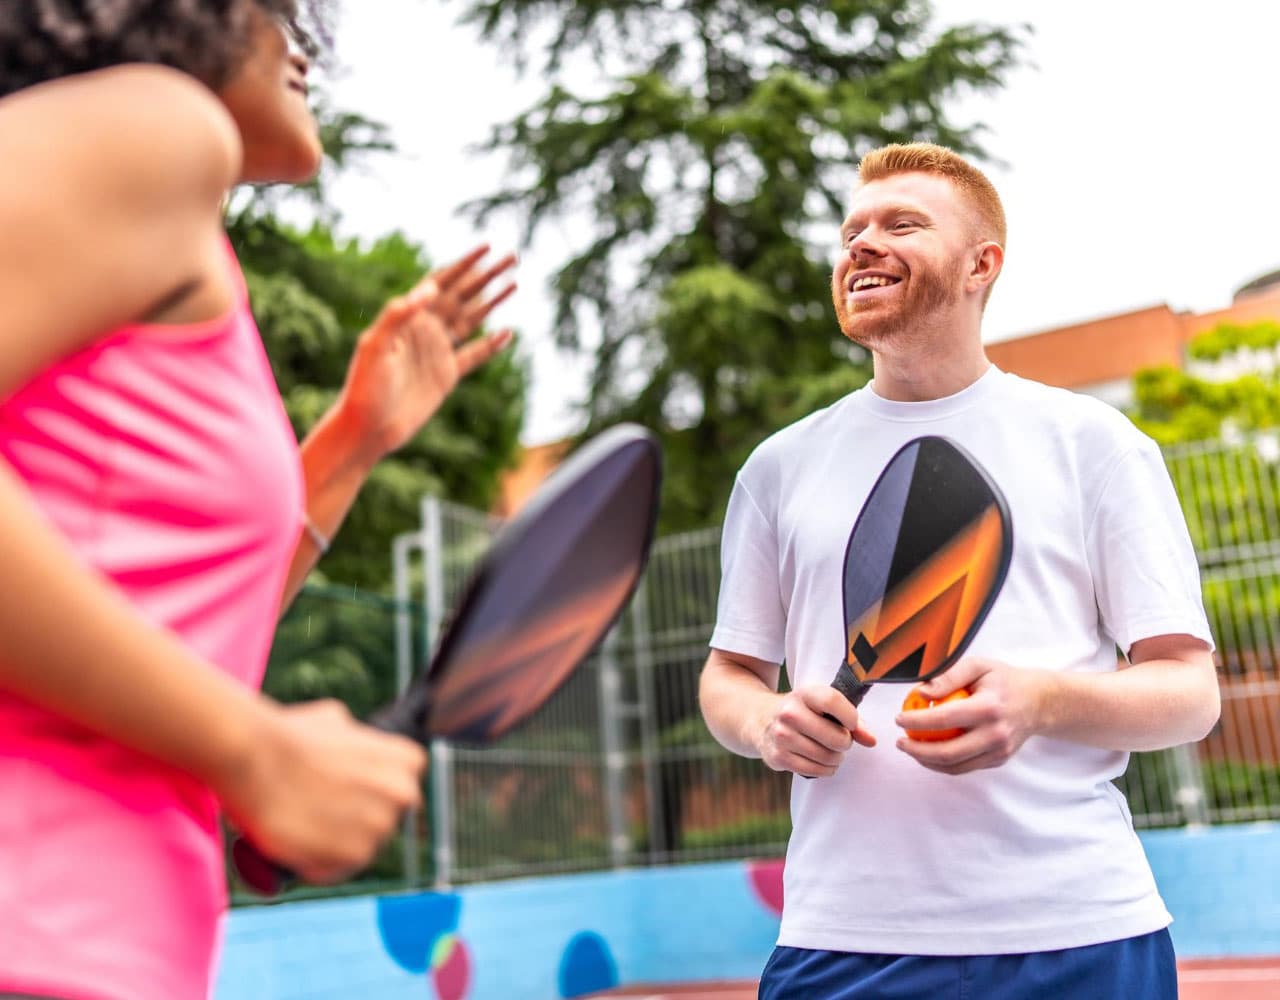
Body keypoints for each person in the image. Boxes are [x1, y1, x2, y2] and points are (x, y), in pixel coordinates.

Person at [0, 4, 517, 998]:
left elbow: (159, 614)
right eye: (279, 8)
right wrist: (255, 749)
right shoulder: (155, 124)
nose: (305, 41)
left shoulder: (146, 208)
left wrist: (349, 445)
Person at [698, 142, 1220, 999]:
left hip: (1081, 934)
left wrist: (1044, 700)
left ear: (984, 264)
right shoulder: (779, 468)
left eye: (901, 224)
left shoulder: (1094, 444)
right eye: (851, 229)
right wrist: (764, 724)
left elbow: (1191, 693)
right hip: (843, 941)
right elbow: (731, 676)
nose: (861, 244)